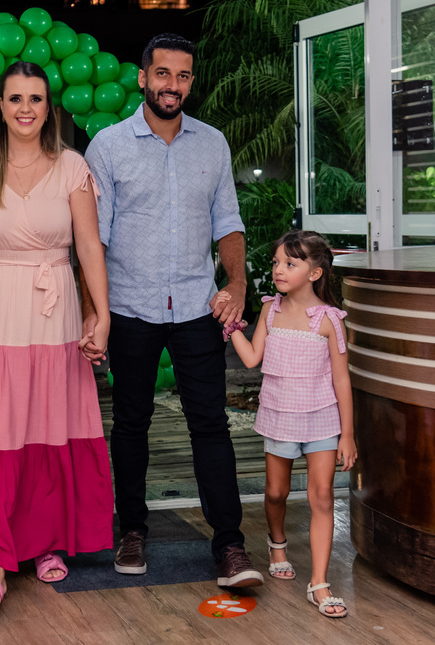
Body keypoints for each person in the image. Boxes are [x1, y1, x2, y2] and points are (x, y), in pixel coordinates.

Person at [83, 33, 263, 587]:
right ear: (143, 78)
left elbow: (227, 222)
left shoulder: (212, 143)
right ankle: (132, 530)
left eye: (183, 76)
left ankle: (229, 545)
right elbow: (93, 240)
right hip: (130, 307)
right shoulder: (108, 147)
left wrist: (237, 284)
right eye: (163, 74)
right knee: (131, 423)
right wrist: (95, 313)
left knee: (210, 425)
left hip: (195, 306)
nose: (173, 85)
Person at [0, 61, 113, 610]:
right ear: (0, 106)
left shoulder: (72, 167)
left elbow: (88, 247)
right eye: (16, 98)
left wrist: (102, 315)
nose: (26, 109)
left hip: (55, 312)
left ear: (49, 108)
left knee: (50, 426)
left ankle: (46, 543)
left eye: (36, 99)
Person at [226, 230, 357, 619]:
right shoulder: (271, 311)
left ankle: (319, 583)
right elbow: (252, 358)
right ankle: (277, 543)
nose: (278, 270)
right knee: (276, 492)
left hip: (322, 419)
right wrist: (232, 329)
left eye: (289, 263)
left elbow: (342, 380)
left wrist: (347, 435)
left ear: (315, 273)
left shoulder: (330, 320)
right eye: (276, 263)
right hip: (280, 416)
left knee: (322, 497)